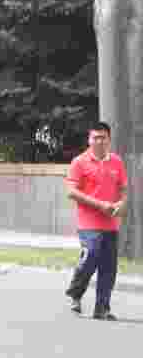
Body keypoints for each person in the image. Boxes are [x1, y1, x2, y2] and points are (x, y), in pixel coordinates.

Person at [64, 121, 127, 321]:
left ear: (109, 140)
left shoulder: (117, 161)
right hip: (88, 223)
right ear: (89, 140)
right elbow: (71, 192)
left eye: (103, 137)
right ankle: (76, 292)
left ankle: (102, 308)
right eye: (95, 137)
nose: (99, 141)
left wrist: (122, 204)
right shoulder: (79, 162)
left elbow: (124, 188)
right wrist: (100, 205)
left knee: (108, 267)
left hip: (111, 224)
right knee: (91, 255)